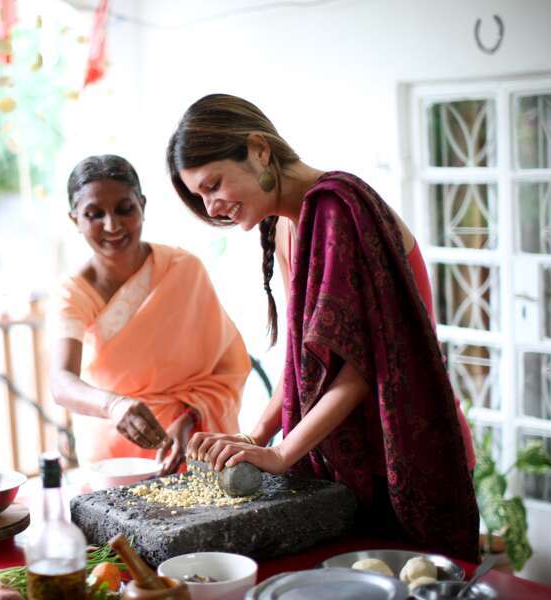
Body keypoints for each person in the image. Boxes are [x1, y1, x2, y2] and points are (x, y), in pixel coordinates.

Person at [167, 94, 479, 561]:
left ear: (259, 150)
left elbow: (359, 369)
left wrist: (281, 453)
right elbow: (303, 362)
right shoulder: (285, 225)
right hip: (350, 467)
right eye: (200, 197)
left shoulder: (336, 208)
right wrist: (256, 436)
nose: (212, 207)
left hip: (402, 460)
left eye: (213, 185)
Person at [50, 154, 251, 475]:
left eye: (124, 209)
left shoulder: (184, 269)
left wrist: (193, 416)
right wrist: (115, 405)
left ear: (142, 205)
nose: (112, 225)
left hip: (193, 444)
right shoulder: (73, 292)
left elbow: (229, 365)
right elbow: (62, 382)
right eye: (94, 214)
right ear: (75, 220)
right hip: (115, 455)